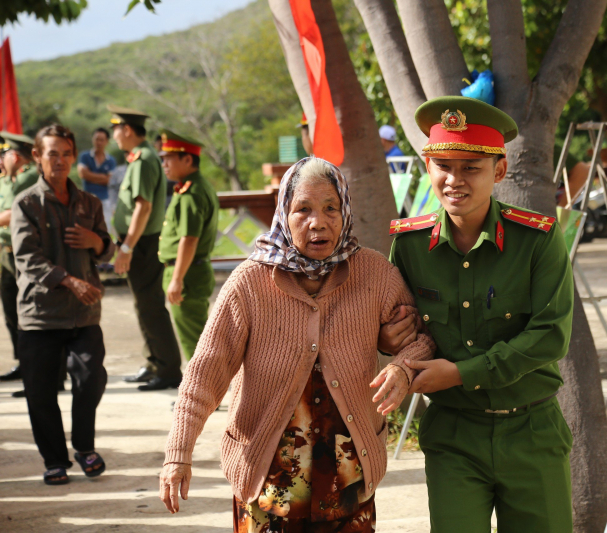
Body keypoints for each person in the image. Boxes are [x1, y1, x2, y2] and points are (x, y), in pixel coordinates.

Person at [158, 156, 435, 531]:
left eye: (330, 208)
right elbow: (204, 374)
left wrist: (402, 368)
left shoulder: (374, 274)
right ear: (283, 215)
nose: (318, 222)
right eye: (302, 209)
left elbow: (421, 340)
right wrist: (178, 454)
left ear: (345, 212)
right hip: (267, 486)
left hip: (349, 486)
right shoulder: (249, 284)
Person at [380, 96, 575, 532]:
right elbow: (405, 329)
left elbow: (548, 336)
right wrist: (393, 347)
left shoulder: (537, 240)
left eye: (472, 167)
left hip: (532, 431)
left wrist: (462, 372)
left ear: (499, 171)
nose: (455, 180)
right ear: (428, 169)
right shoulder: (409, 246)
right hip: (453, 435)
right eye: (444, 166)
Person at [13, 124, 115, 485]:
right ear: (37, 157)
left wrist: (96, 242)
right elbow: (27, 258)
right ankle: (55, 460)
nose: (60, 160)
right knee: (40, 393)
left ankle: (84, 447)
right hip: (39, 316)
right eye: (52, 153)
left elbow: (108, 248)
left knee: (91, 379)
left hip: (83, 314)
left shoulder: (89, 203)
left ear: (74, 156)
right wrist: (70, 281)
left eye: (66, 153)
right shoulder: (25, 204)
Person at [108, 105, 182, 391]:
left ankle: (167, 369)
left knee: (150, 306)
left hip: (141, 243)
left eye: (116, 129)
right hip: (139, 242)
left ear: (127, 129)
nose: (114, 135)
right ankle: (154, 362)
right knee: (144, 304)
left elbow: (143, 205)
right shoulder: (142, 157)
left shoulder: (142, 159)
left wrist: (126, 246)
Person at [158, 130, 219, 360]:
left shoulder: (191, 192)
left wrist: (177, 279)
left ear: (187, 159)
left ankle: (197, 394)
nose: (164, 164)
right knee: (196, 338)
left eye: (168, 158)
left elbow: (189, 239)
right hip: (190, 271)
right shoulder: (194, 186)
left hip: (187, 273)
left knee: (194, 343)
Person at [0, 132, 41, 392]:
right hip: (6, 249)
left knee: (28, 312)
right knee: (12, 312)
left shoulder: (27, 176)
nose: (2, 159)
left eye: (4, 154)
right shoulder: (12, 178)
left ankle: (36, 370)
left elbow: (13, 211)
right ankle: (25, 365)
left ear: (14, 156)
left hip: (20, 251)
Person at [77, 127, 117, 232]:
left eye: (101, 140)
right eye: (96, 139)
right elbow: (82, 173)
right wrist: (102, 177)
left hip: (104, 200)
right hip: (87, 199)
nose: (98, 142)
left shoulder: (111, 160)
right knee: (86, 228)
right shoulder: (85, 156)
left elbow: (109, 180)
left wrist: (90, 175)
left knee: (104, 228)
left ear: (107, 142)